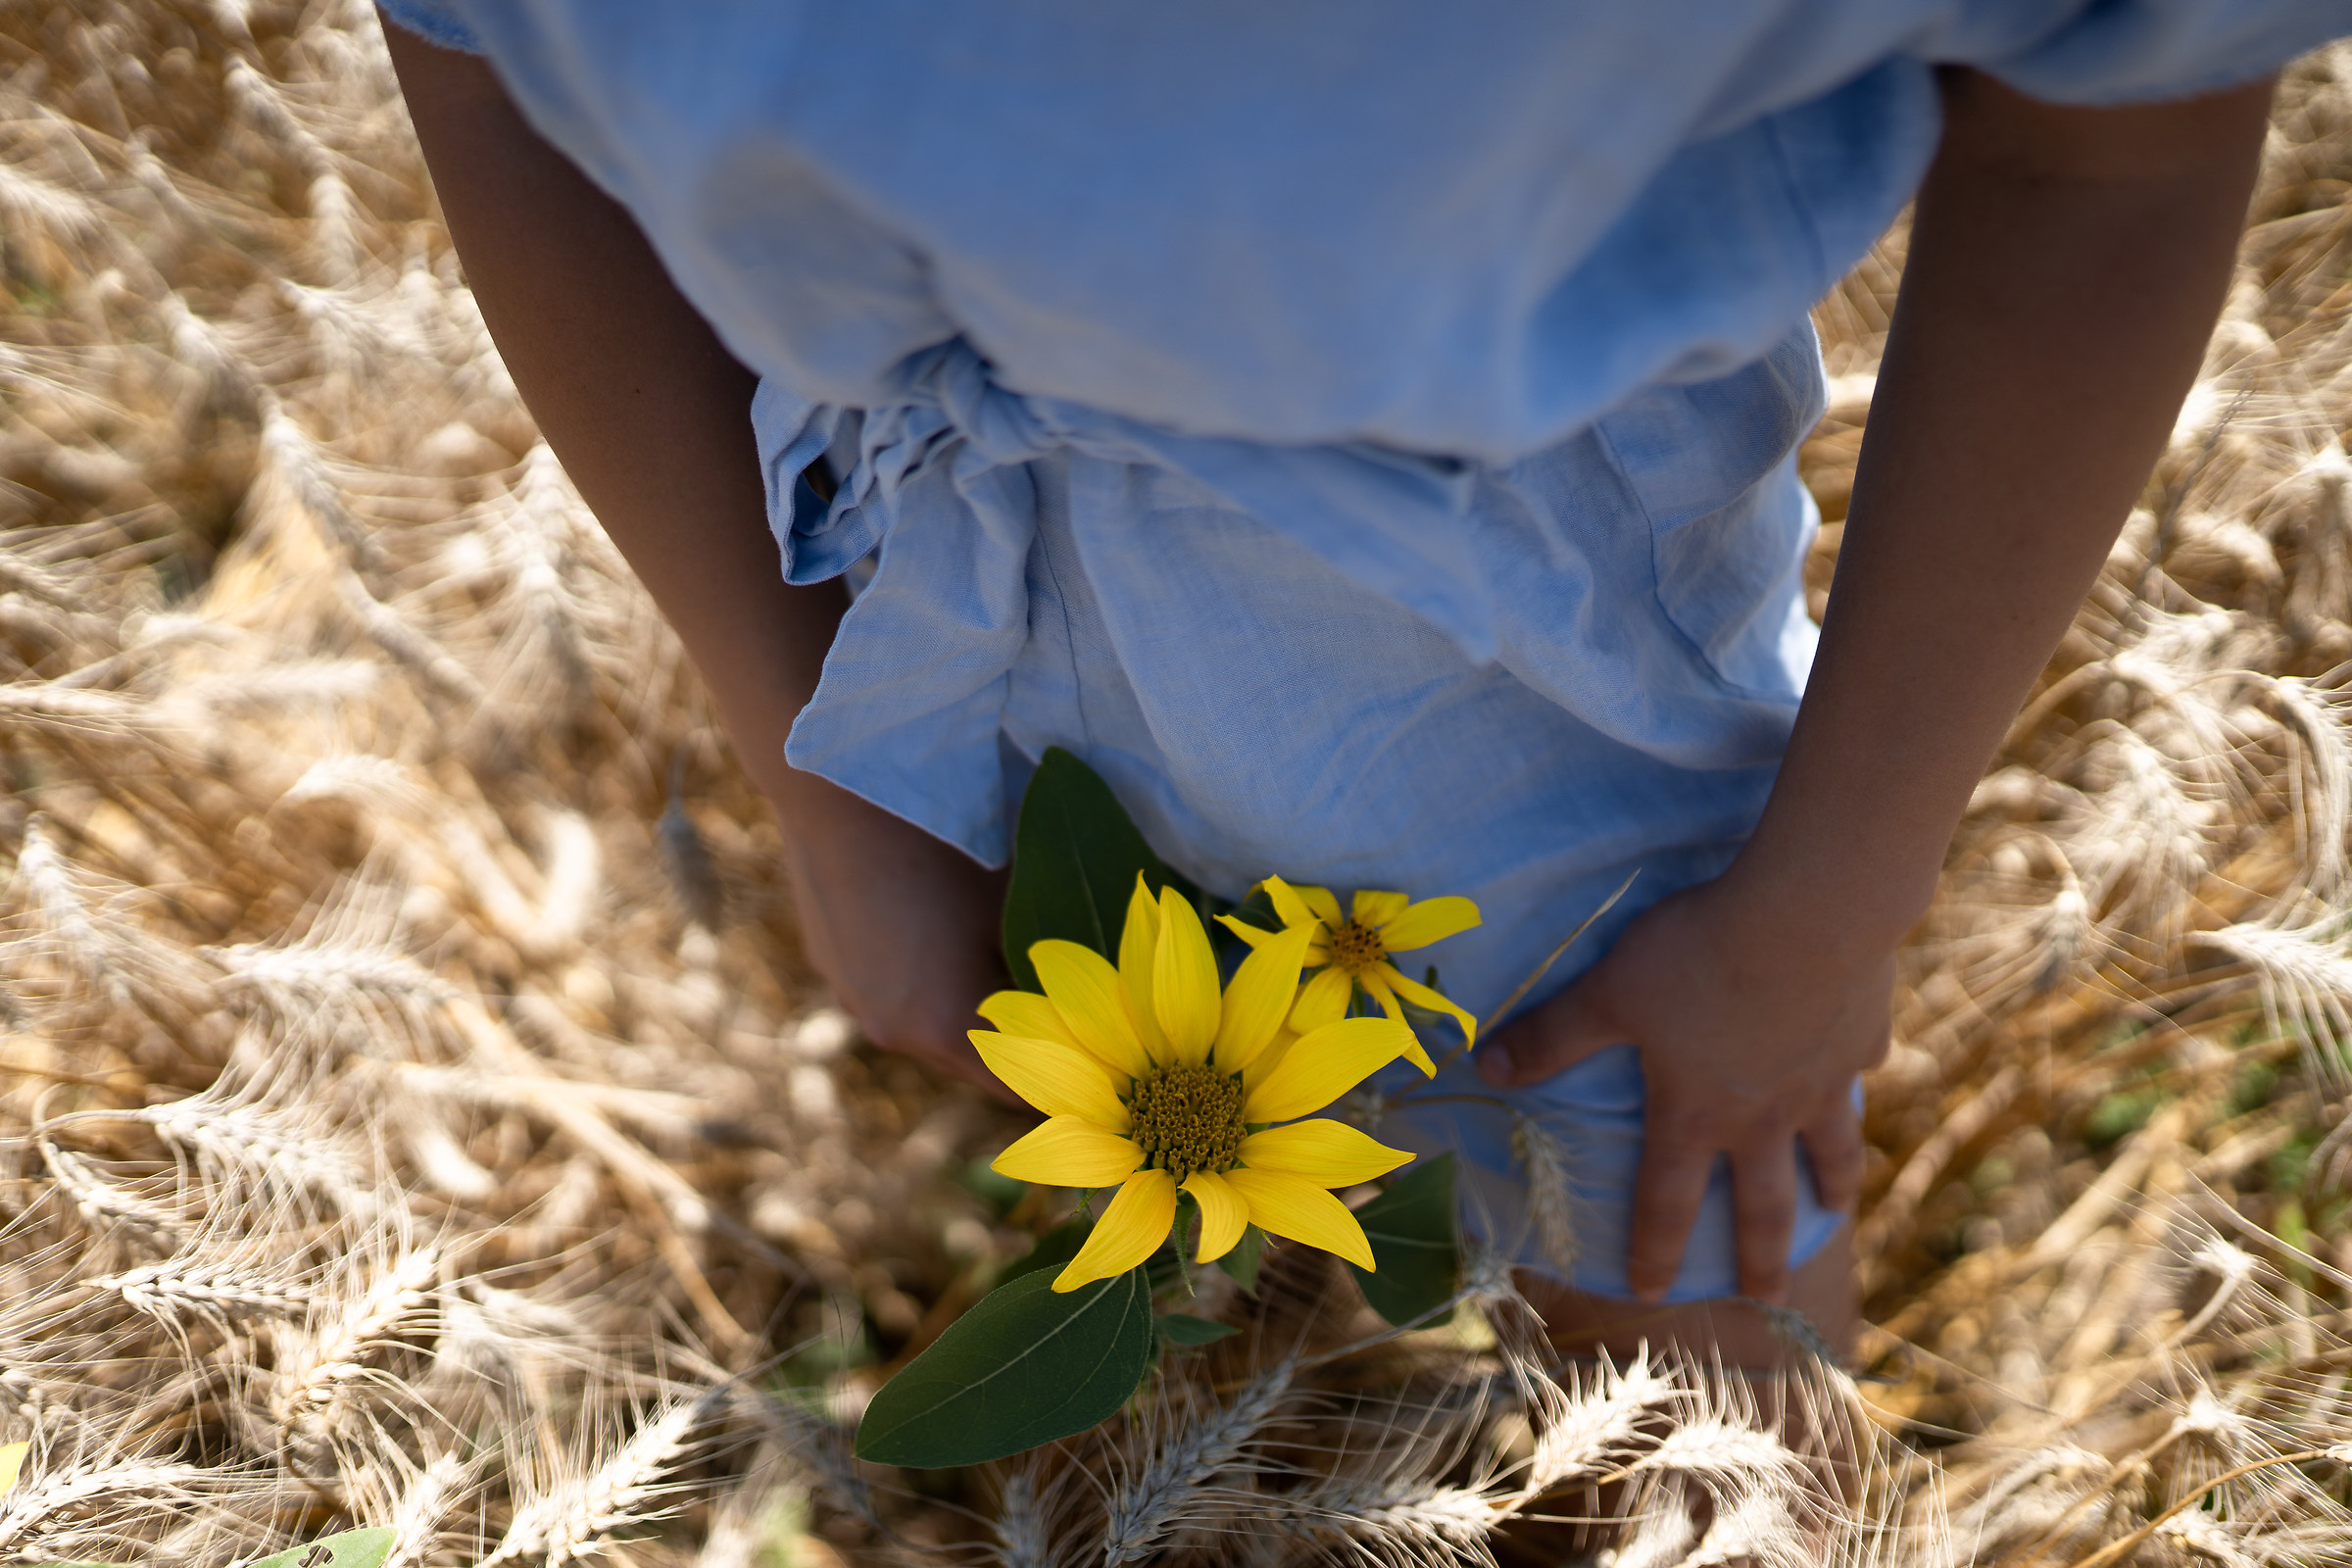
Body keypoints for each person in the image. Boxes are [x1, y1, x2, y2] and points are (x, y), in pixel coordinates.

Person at [372, 1, 2343, 1368]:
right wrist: (820, 772)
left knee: (1678, 1282)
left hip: (1503, 657)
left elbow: (2119, 151)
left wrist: (1821, 909)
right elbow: (478, 68)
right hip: (906, 548)